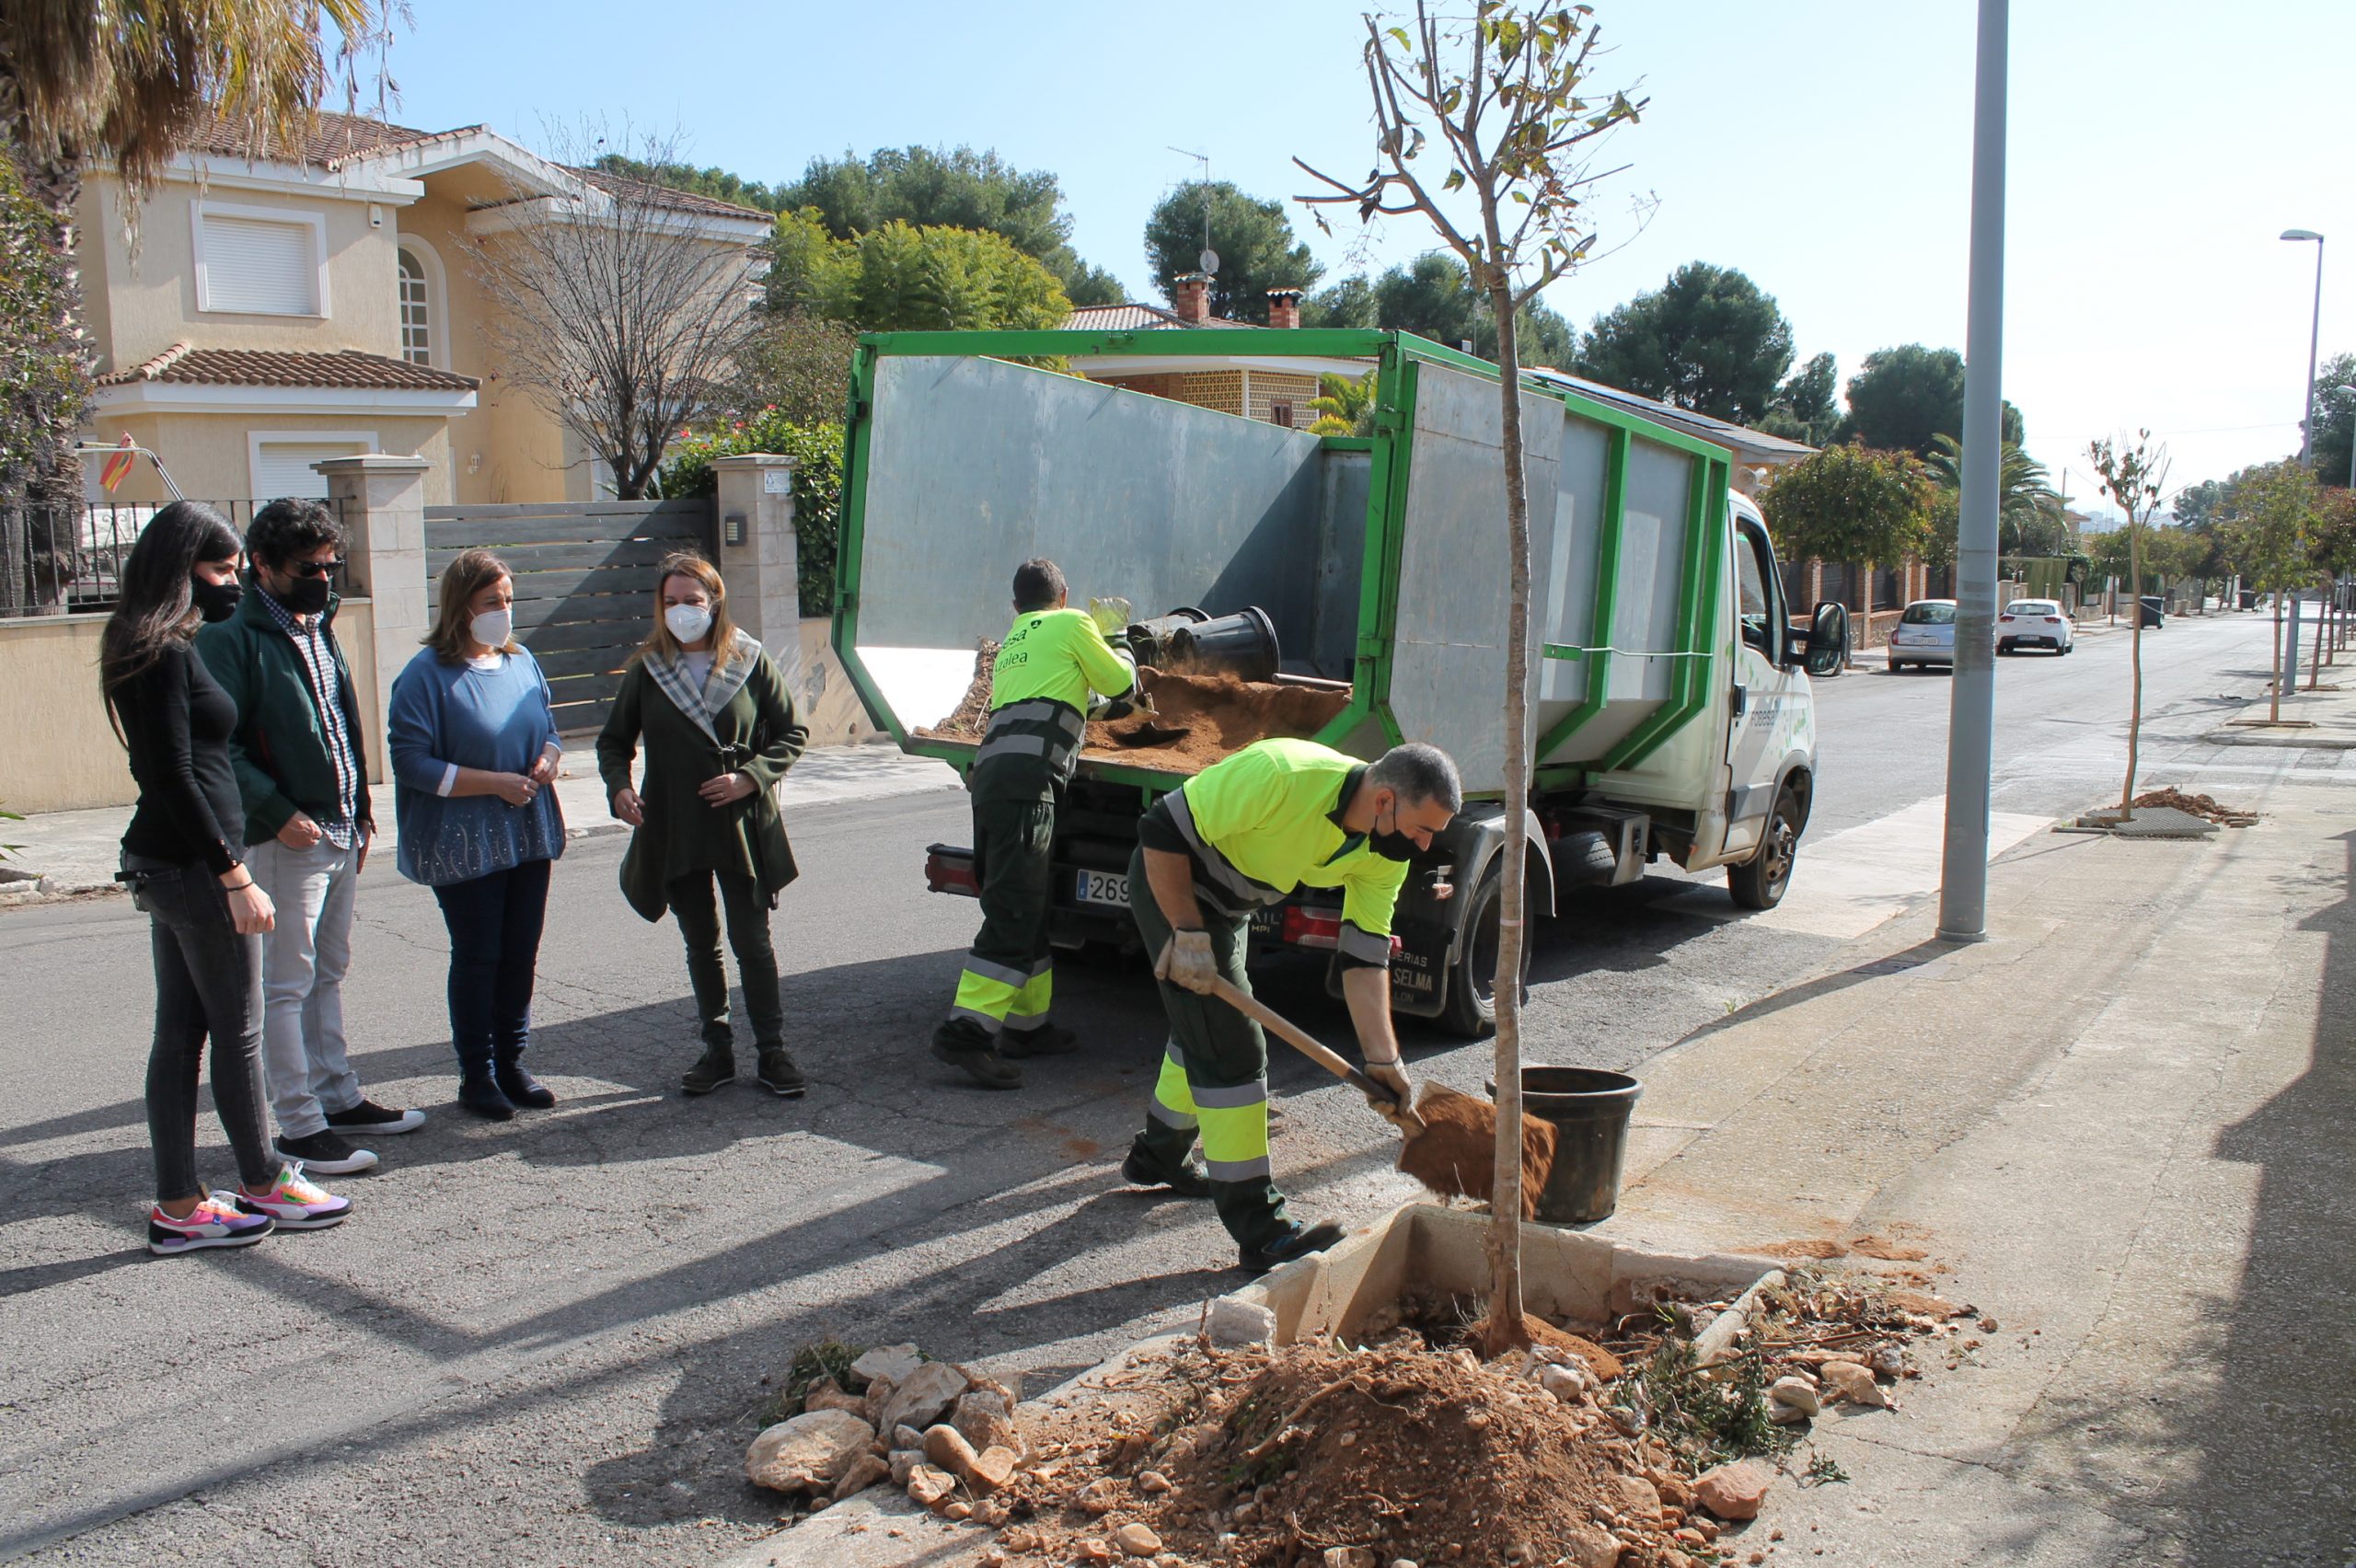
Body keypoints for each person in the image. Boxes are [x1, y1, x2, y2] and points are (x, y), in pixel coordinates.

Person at [102, 502, 352, 1253]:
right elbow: (172, 775)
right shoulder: (168, 653)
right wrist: (234, 872)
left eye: (236, 568)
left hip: (169, 863)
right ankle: (264, 1177)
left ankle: (180, 1205)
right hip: (192, 867)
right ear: (180, 571)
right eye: (219, 570)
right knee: (236, 1031)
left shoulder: (149, 644)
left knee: (180, 1037)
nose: (232, 583)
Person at [1122, 738, 1461, 1273]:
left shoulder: (1382, 852)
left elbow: (1364, 956)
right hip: (1175, 884)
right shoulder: (1282, 775)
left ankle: (1158, 1154)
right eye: (1423, 828)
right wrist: (1187, 932)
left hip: (1233, 906)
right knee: (1232, 1049)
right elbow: (1159, 830)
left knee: (1206, 1028)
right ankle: (1263, 1232)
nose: (1424, 846)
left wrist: (1382, 1059)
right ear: (1384, 800)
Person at [198, 496, 422, 1175]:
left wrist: (358, 813)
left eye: (330, 564)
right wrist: (274, 813)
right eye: (308, 566)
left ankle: (337, 1096)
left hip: (338, 828)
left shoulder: (317, 625)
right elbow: (219, 747)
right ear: (261, 564)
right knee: (286, 985)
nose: (323, 577)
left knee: (329, 972)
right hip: (285, 836)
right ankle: (297, 1125)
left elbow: (337, 728)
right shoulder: (230, 636)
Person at [596, 554, 810, 1098]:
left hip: (741, 823)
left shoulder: (751, 659)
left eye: (693, 600)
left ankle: (772, 1051)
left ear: (714, 601)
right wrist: (619, 786)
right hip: (675, 822)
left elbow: (792, 732)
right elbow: (613, 741)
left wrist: (752, 776)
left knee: (752, 942)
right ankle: (716, 1050)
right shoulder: (647, 669)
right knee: (700, 942)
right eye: (671, 602)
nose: (682, 611)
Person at [929, 559, 1138, 1090]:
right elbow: (1119, 684)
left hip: (994, 778)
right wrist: (1122, 646)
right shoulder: (1073, 625)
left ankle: (1027, 1026)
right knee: (1015, 909)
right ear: (1063, 596)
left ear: (1016, 606)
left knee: (1029, 902)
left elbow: (1065, 699)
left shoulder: (1013, 644)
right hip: (1028, 785)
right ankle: (966, 1035)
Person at [387, 549, 567, 1121]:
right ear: (460, 606)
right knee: (479, 956)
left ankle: (513, 1062)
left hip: (527, 830)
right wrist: (494, 783)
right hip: (463, 840)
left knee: (520, 953)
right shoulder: (424, 677)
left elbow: (552, 729)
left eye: (509, 600)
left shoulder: (521, 661)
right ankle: (477, 1074)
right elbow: (412, 763)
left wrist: (547, 759)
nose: (504, 612)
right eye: (493, 602)